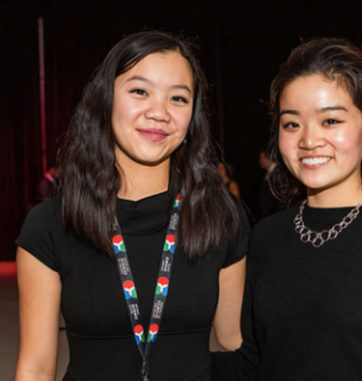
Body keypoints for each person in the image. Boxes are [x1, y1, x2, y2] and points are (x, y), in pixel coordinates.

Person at [15, 30, 249, 381]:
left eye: (179, 98)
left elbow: (236, 344)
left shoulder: (221, 217)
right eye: (140, 91)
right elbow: (35, 368)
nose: (159, 113)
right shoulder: (51, 224)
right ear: (106, 100)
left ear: (192, 118)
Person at [213, 38, 362, 380]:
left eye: (330, 121)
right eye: (292, 124)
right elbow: (253, 363)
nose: (309, 140)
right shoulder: (268, 235)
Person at [256, 150, 280, 219]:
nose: (260, 161)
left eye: (261, 158)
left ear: (268, 158)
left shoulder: (278, 172)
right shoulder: (268, 173)